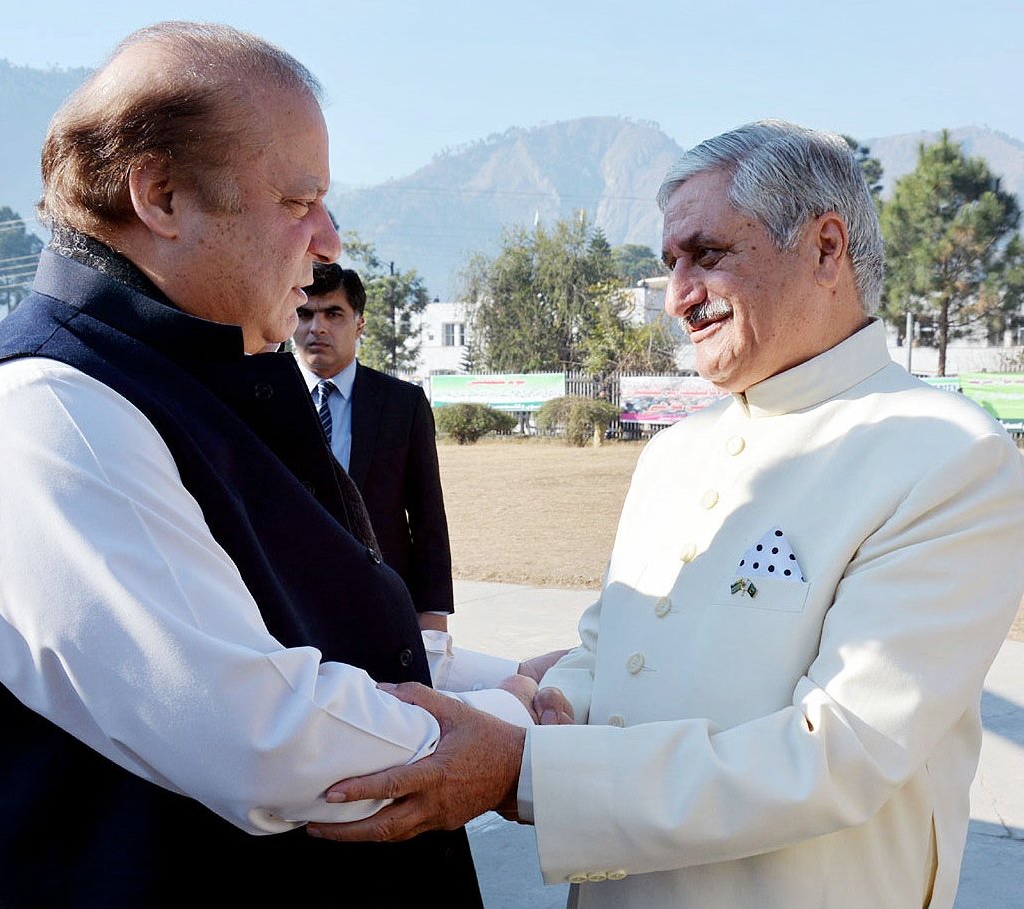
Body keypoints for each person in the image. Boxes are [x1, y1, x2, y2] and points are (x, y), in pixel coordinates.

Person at [306, 120, 1024, 909]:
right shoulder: (677, 451)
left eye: (707, 254)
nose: (678, 295)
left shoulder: (947, 455)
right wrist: (543, 702)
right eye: (669, 262)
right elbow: (607, 643)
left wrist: (523, 769)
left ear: (825, 248)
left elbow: (836, 755)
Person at [0, 21, 541, 907]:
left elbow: (304, 622)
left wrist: (495, 678)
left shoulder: (198, 375)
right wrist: (510, 737)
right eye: (296, 201)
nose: (329, 240)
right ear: (159, 195)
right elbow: (259, 733)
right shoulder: (51, 409)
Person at [294, 262, 454, 631]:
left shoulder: (402, 405)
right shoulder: (264, 399)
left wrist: (432, 612)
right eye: (305, 314)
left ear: (360, 323)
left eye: (334, 314)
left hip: (378, 601)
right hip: (289, 602)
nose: (317, 327)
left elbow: (428, 515)